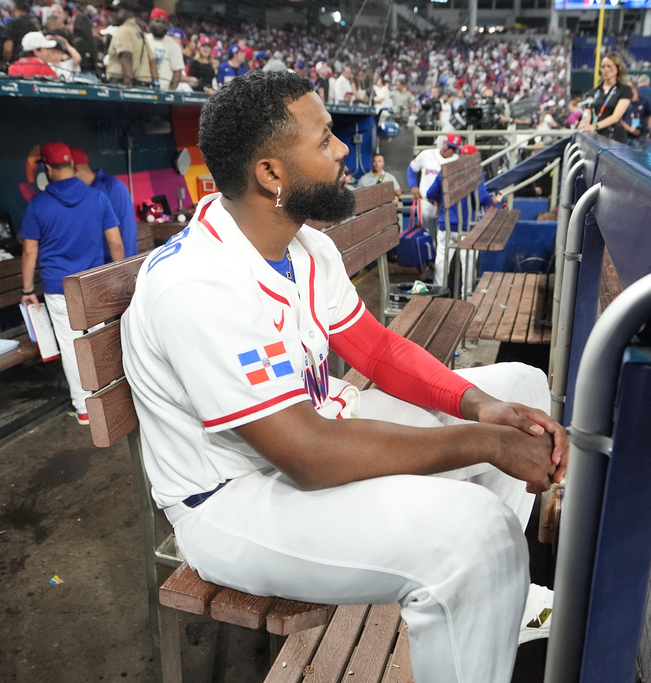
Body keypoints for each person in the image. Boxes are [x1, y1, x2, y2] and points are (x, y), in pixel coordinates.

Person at [118, 70, 566, 683]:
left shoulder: (303, 245)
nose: (342, 152)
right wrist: (486, 441)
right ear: (271, 174)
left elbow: (376, 350)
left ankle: (490, 607)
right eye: (325, 139)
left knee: (518, 388)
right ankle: (482, 585)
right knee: (474, 534)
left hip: (316, 432)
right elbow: (309, 456)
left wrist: (479, 406)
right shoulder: (198, 286)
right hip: (230, 502)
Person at [20, 143, 124, 424]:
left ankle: (85, 408)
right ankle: (110, 396)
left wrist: (28, 290)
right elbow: (115, 242)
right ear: (73, 167)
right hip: (93, 283)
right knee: (100, 340)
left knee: (72, 346)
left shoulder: (38, 204)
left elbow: (30, 251)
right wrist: (116, 276)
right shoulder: (98, 197)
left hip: (59, 287)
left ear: (48, 168)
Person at [426, 144, 495, 294]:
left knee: (441, 263)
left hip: (447, 226)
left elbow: (430, 194)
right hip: (468, 227)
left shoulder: (446, 171)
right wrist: (492, 200)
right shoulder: (475, 173)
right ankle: (467, 297)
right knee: (468, 265)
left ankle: (438, 297)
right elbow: (482, 198)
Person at [71, 148, 138, 258]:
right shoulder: (85, 191)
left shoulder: (111, 187)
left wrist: (125, 268)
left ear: (74, 169)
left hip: (116, 263)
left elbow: (126, 231)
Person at [407, 133, 461, 238]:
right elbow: (412, 169)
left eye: (453, 148)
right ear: (443, 144)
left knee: (442, 237)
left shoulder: (458, 161)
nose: (449, 150)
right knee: (426, 235)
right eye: (448, 146)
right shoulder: (427, 154)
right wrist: (413, 186)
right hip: (425, 203)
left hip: (445, 206)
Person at [578, 52, 632, 143]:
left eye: (609, 66)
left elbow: (616, 117)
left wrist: (594, 126)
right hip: (594, 135)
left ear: (617, 68)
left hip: (613, 137)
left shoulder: (624, 90)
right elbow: (588, 112)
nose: (606, 70)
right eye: (603, 67)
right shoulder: (594, 91)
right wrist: (584, 125)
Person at [104, 0, 158, 88]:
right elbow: (152, 61)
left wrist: (128, 87)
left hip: (123, 83)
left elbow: (126, 57)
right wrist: (156, 83)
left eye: (116, 11)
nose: (112, 14)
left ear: (127, 13)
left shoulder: (123, 30)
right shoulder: (139, 31)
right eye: (111, 11)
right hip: (143, 85)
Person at [145, 8, 185, 90]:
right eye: (157, 21)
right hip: (142, 87)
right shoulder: (143, 40)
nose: (160, 25)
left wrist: (170, 92)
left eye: (163, 22)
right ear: (150, 22)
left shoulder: (173, 45)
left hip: (163, 91)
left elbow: (177, 72)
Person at [0, 0, 40, 66]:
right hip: (29, 64)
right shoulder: (32, 25)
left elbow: (8, 48)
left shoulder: (12, 23)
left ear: (15, 6)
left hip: (15, 64)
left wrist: (7, 62)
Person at [636, 74, 651, 151]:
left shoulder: (636, 91)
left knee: (636, 149)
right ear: (648, 82)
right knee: (650, 150)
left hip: (638, 124)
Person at [621, 85, 650, 150]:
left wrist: (649, 131)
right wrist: (630, 129)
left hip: (640, 135)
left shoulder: (644, 101)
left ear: (635, 89)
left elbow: (650, 116)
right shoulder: (624, 102)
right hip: (626, 135)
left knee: (639, 155)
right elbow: (619, 119)